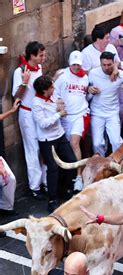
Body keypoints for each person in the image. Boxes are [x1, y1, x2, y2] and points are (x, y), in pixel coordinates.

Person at [32, 75, 77, 212]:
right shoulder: (36, 103)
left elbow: (59, 100)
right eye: (51, 87)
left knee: (71, 161)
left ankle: (66, 190)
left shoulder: (52, 95)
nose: (54, 88)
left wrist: (60, 103)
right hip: (47, 140)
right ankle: (52, 199)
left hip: (60, 135)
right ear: (45, 90)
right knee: (53, 169)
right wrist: (59, 114)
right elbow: (43, 124)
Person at [12, 41, 47, 199]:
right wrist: (25, 82)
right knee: (33, 150)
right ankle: (35, 186)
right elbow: (16, 96)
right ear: (32, 56)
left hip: (40, 111)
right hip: (27, 114)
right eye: (40, 55)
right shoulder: (20, 71)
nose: (43, 58)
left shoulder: (39, 68)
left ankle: (46, 182)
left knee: (44, 146)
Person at [53, 51, 90, 192]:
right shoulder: (62, 77)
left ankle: (78, 177)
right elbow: (55, 94)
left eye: (78, 65)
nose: (76, 67)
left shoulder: (85, 77)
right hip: (65, 116)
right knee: (67, 147)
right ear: (70, 63)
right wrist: (59, 104)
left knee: (75, 143)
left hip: (80, 114)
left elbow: (86, 95)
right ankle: (67, 178)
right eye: (74, 64)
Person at [88, 52, 123, 156]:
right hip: (97, 113)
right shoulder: (93, 73)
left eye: (109, 65)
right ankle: (101, 164)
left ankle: (119, 163)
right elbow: (86, 89)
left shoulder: (120, 74)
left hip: (112, 113)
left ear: (113, 63)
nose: (106, 67)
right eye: (104, 65)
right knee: (97, 143)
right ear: (100, 63)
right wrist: (90, 89)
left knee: (116, 141)